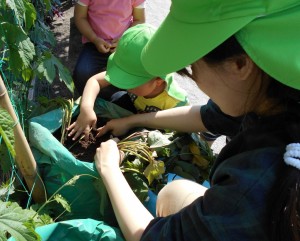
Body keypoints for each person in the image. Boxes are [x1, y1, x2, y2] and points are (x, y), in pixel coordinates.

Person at [93, 0, 300, 240]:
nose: (195, 78)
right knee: (174, 192)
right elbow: (204, 116)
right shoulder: (273, 92)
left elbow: (153, 237)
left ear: (239, 64)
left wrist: (109, 169)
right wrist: (135, 121)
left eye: (192, 65)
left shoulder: (256, 188)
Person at [67, 23, 188, 141]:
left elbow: (180, 134)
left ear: (158, 81)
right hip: (134, 110)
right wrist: (86, 109)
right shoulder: (146, 81)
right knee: (118, 97)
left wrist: (127, 123)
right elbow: (94, 81)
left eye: (131, 81)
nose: (124, 86)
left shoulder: (176, 104)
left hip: (156, 129)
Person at [72, 0, 145, 95]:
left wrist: (124, 40)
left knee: (130, 78)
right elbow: (80, 17)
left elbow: (139, 19)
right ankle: (88, 99)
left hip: (123, 44)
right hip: (94, 43)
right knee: (82, 73)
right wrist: (95, 39)